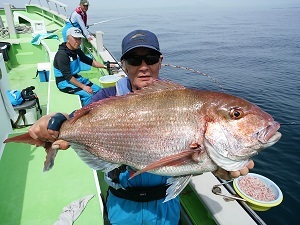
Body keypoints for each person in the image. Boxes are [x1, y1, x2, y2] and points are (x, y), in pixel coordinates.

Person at [29, 30, 254, 225]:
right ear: (123, 65)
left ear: (160, 61)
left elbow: (194, 157)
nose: (144, 67)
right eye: (135, 60)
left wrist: (216, 166)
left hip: (165, 209)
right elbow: (78, 120)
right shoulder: (106, 97)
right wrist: (55, 121)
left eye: (151, 58)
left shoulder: (183, 100)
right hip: (122, 207)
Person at [54, 27, 106, 106]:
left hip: (76, 77)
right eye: (75, 39)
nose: (78, 42)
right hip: (64, 82)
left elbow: (89, 61)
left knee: (99, 90)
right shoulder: (62, 55)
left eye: (79, 39)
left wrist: (105, 66)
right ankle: (86, 114)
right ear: (68, 38)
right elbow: (67, 76)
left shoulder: (77, 50)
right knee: (88, 95)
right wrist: (83, 87)